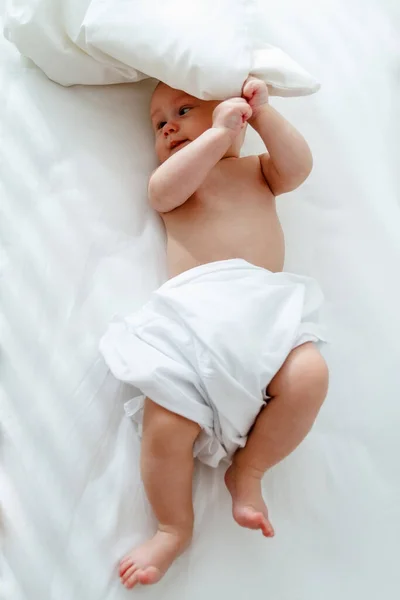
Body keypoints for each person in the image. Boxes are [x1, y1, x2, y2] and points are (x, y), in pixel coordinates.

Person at [100, 76, 329, 589]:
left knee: (309, 374)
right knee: (167, 423)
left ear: (235, 115)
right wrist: (211, 135)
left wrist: (262, 113)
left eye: (184, 110)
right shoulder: (174, 181)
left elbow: (299, 168)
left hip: (264, 313)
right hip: (194, 317)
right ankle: (172, 527)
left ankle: (248, 473)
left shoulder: (257, 171)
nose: (168, 127)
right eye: (158, 123)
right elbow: (164, 192)